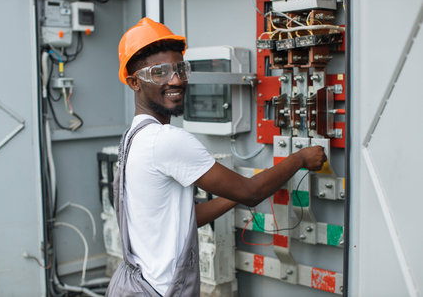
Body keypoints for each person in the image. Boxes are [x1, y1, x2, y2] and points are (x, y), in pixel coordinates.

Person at [106, 17, 326, 297]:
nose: (175, 80)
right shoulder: (166, 140)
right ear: (134, 82)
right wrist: (300, 159)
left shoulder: (132, 138)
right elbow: (251, 193)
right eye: (159, 72)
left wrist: (232, 191)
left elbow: (186, 218)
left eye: (180, 69)